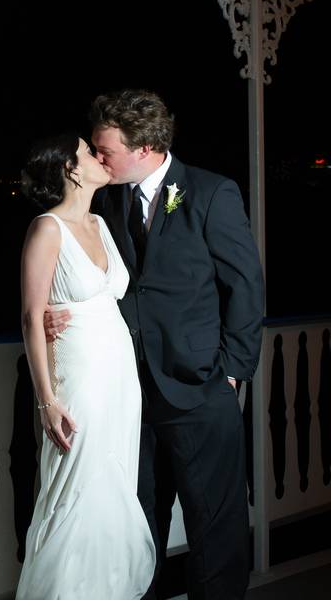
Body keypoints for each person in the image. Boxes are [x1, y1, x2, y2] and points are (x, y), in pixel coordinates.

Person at [45, 89, 265, 599]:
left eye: (106, 151)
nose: (98, 160)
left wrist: (232, 370)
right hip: (129, 394)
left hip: (199, 388)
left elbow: (245, 287)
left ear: (144, 148)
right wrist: (64, 316)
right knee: (139, 522)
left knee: (215, 526)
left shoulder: (211, 193)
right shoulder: (108, 202)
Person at [16, 132, 156, 599]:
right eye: (87, 153)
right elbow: (32, 316)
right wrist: (47, 401)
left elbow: (110, 298)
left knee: (115, 492)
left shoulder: (99, 222)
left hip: (119, 379)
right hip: (79, 379)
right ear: (70, 170)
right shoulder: (46, 228)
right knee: (76, 493)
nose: (99, 157)